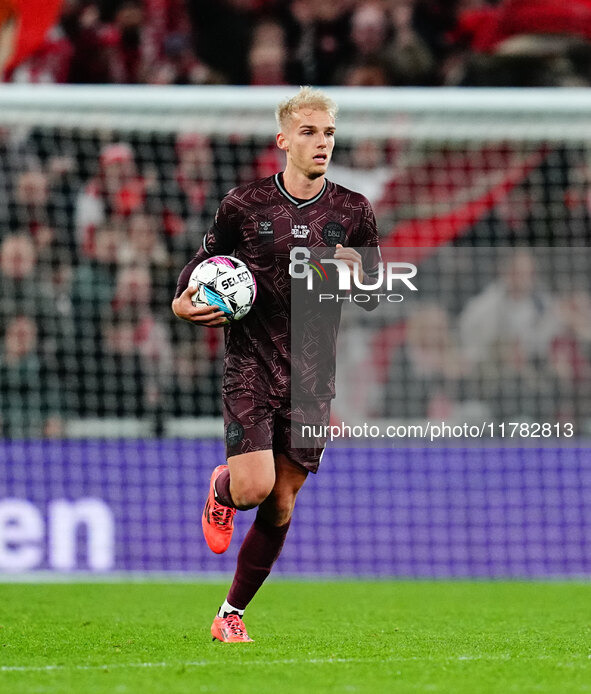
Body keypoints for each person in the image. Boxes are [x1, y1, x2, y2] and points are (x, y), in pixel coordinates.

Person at [172, 86, 380, 643]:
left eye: (329, 133)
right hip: (252, 364)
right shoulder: (243, 205)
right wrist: (181, 302)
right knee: (254, 488)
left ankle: (230, 614)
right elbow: (199, 268)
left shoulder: (354, 212)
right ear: (283, 139)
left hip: (314, 378)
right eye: (309, 133)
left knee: (283, 500)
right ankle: (224, 490)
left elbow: (373, 298)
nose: (322, 143)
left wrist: (359, 274)